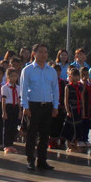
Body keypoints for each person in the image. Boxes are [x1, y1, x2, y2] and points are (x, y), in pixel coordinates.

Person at [19, 43, 59, 172]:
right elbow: (23, 90)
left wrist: (55, 106)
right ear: (34, 54)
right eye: (40, 52)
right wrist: (25, 106)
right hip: (33, 105)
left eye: (45, 52)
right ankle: (30, 160)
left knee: (44, 135)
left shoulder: (51, 70)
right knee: (31, 134)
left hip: (47, 106)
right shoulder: (28, 70)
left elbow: (55, 89)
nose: (43, 54)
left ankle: (42, 160)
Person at [63, 66, 85, 153]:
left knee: (78, 128)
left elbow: (82, 99)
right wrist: (67, 110)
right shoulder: (68, 87)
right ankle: (69, 145)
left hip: (78, 110)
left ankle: (76, 145)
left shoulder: (80, 87)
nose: (75, 77)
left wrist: (83, 111)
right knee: (70, 128)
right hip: (71, 110)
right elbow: (65, 100)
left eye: (77, 76)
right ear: (70, 76)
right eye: (73, 76)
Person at [0, 67, 21, 154]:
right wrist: (4, 111)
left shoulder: (18, 88)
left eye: (15, 76)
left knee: (13, 127)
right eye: (12, 76)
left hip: (15, 107)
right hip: (8, 107)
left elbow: (19, 100)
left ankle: (11, 144)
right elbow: (3, 101)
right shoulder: (5, 87)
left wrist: (20, 111)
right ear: (8, 77)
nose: (14, 78)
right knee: (7, 127)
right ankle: (6, 145)